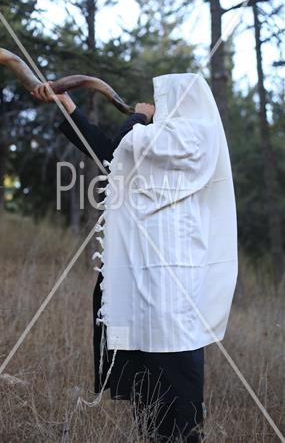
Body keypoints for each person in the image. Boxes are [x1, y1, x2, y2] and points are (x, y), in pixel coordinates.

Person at [32, 74, 237, 442]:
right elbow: (113, 150)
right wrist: (69, 106)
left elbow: (129, 139)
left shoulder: (193, 136)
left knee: (176, 383)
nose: (154, 106)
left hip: (171, 284)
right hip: (146, 279)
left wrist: (140, 117)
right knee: (146, 385)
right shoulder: (156, 142)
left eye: (162, 99)